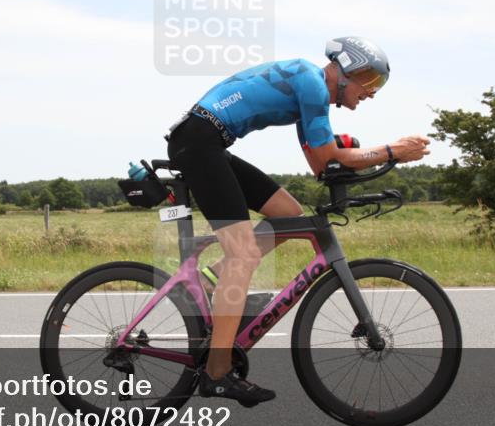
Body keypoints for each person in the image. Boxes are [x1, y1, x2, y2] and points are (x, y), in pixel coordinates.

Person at [165, 37, 431, 405]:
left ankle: (214, 282)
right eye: (369, 80)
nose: (371, 92)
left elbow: (320, 165)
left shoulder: (309, 90)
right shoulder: (311, 82)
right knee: (244, 255)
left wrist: (356, 154)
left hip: (206, 141)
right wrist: (391, 151)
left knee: (288, 214)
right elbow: (326, 157)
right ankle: (217, 373)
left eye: (378, 85)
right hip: (199, 143)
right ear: (345, 69)